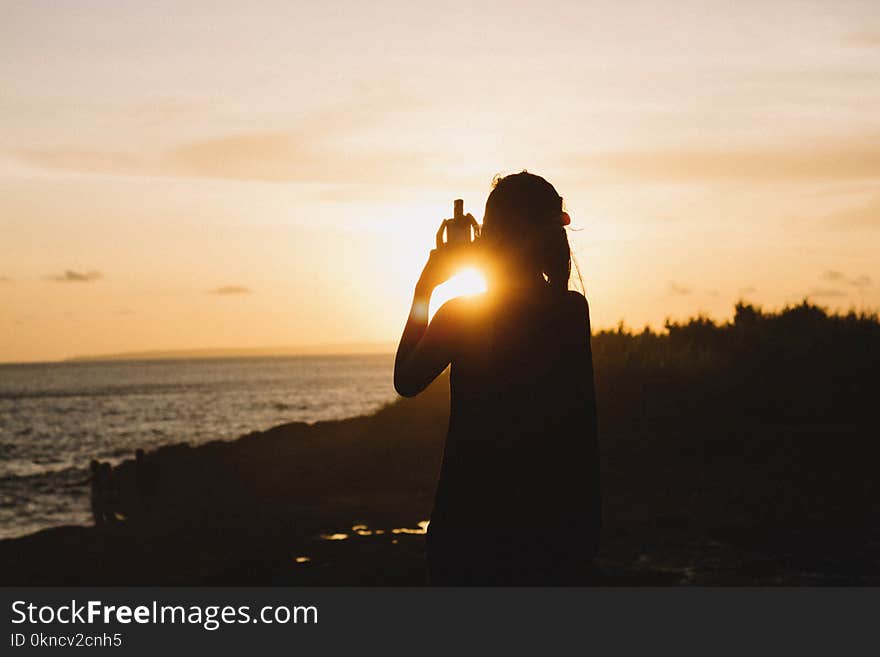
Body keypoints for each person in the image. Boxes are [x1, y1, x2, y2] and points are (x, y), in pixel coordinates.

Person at [394, 171, 600, 585]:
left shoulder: (461, 315)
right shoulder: (571, 312)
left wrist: (425, 287)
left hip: (469, 526)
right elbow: (582, 427)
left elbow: (406, 380)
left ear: (492, 235)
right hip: (552, 529)